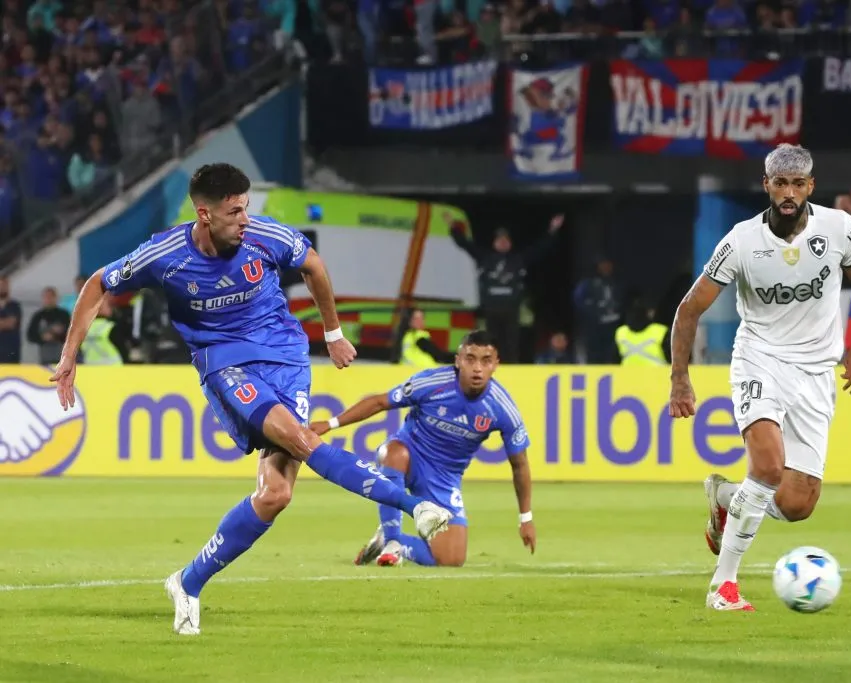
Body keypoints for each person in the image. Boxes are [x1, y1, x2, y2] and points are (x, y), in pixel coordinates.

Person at [50, 163, 452, 636]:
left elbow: (314, 266)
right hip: (225, 362)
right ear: (204, 213)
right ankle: (412, 507)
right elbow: (99, 283)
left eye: (247, 208)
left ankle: (187, 582)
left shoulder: (266, 237)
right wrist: (69, 355)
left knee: (276, 494)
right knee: (301, 439)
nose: (245, 218)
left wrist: (334, 333)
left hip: (287, 357)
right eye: (235, 210)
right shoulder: (167, 254)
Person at [667, 144, 851, 611]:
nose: (788, 193)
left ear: (810, 186)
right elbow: (689, 310)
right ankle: (724, 586)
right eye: (779, 183)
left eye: (797, 183)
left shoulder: (840, 229)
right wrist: (680, 379)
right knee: (765, 467)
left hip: (816, 371)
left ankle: (724, 495)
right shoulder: (741, 241)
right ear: (766, 185)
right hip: (759, 358)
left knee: (797, 504)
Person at [311, 330, 536, 568]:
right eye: (470, 359)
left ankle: (393, 544)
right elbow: (379, 402)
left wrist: (526, 518)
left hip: (444, 477)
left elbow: (519, 464)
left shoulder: (502, 409)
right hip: (410, 455)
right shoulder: (433, 383)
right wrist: (330, 423)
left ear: (496, 365)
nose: (477, 368)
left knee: (451, 559)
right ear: (458, 360)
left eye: (486, 360)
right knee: (392, 452)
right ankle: (392, 539)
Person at [447, 212, 563, 363]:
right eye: (499, 240)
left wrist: (553, 230)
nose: (502, 243)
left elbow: (540, 249)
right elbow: (465, 244)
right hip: (491, 309)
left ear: (510, 243)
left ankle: (511, 372)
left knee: (511, 345)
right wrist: (453, 227)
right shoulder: (485, 257)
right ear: (494, 242)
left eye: (505, 240)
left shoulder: (518, 259)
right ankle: (491, 369)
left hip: (511, 310)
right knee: (491, 343)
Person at [614, 300, 669, 366]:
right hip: (657, 375)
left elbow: (613, 360)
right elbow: (674, 357)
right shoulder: (661, 331)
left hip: (628, 375)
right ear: (648, 313)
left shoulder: (620, 332)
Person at [27, 286, 70, 365]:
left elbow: (71, 334)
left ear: (55, 298)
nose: (48, 299)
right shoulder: (38, 316)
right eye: (46, 297)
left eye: (50, 297)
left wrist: (59, 334)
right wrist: (42, 337)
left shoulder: (64, 315)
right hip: (44, 357)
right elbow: (30, 336)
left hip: (62, 356)